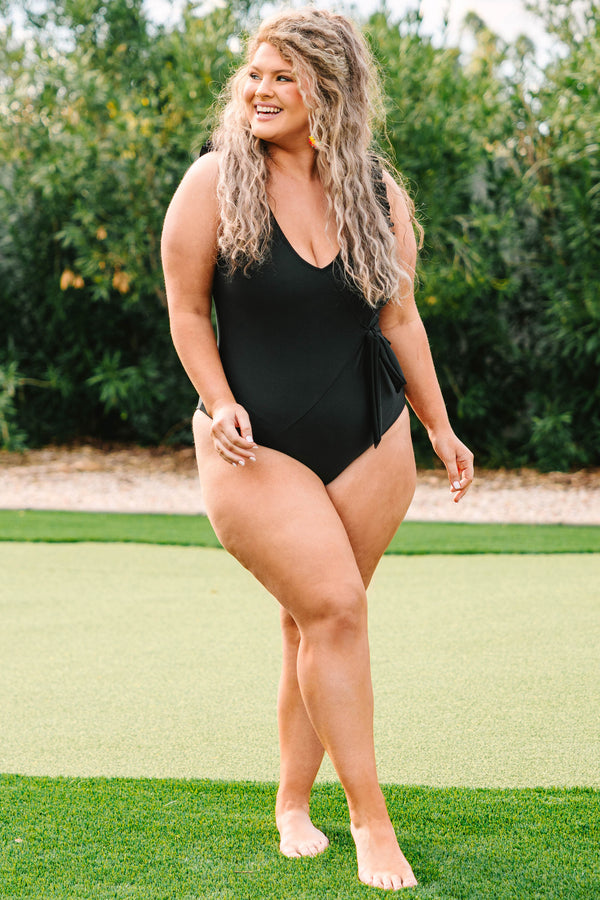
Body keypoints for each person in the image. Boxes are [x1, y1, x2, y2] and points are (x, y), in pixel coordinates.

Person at [161, 7, 473, 891]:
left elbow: (400, 317)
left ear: (329, 90)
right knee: (336, 610)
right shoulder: (214, 182)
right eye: (253, 75)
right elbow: (187, 311)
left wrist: (439, 426)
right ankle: (372, 822)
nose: (259, 91)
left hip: (371, 433)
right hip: (252, 443)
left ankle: (293, 802)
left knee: (317, 620)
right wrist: (218, 402)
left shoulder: (377, 193)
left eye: (282, 77)